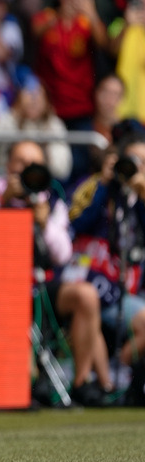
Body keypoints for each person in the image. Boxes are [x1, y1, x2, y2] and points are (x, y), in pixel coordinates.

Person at [0, 141, 114, 405]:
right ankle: (25, 382)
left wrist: (44, 223)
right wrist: (2, 201)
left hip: (40, 287)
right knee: (14, 309)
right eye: (21, 162)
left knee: (86, 296)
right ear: (9, 165)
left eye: (34, 163)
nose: (27, 169)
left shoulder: (50, 201)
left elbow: (63, 254)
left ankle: (81, 382)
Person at [68, 137, 145, 386]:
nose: (137, 167)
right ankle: (109, 378)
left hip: (125, 285)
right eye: (132, 160)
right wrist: (104, 183)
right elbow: (78, 225)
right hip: (90, 276)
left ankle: (117, 369)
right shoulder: (97, 187)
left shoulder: (138, 197)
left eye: (143, 162)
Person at [32, 0, 113, 130]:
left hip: (81, 107)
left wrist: (91, 13)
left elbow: (104, 44)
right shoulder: (46, 17)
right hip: (49, 108)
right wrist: (60, 15)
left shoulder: (88, 22)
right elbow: (35, 33)